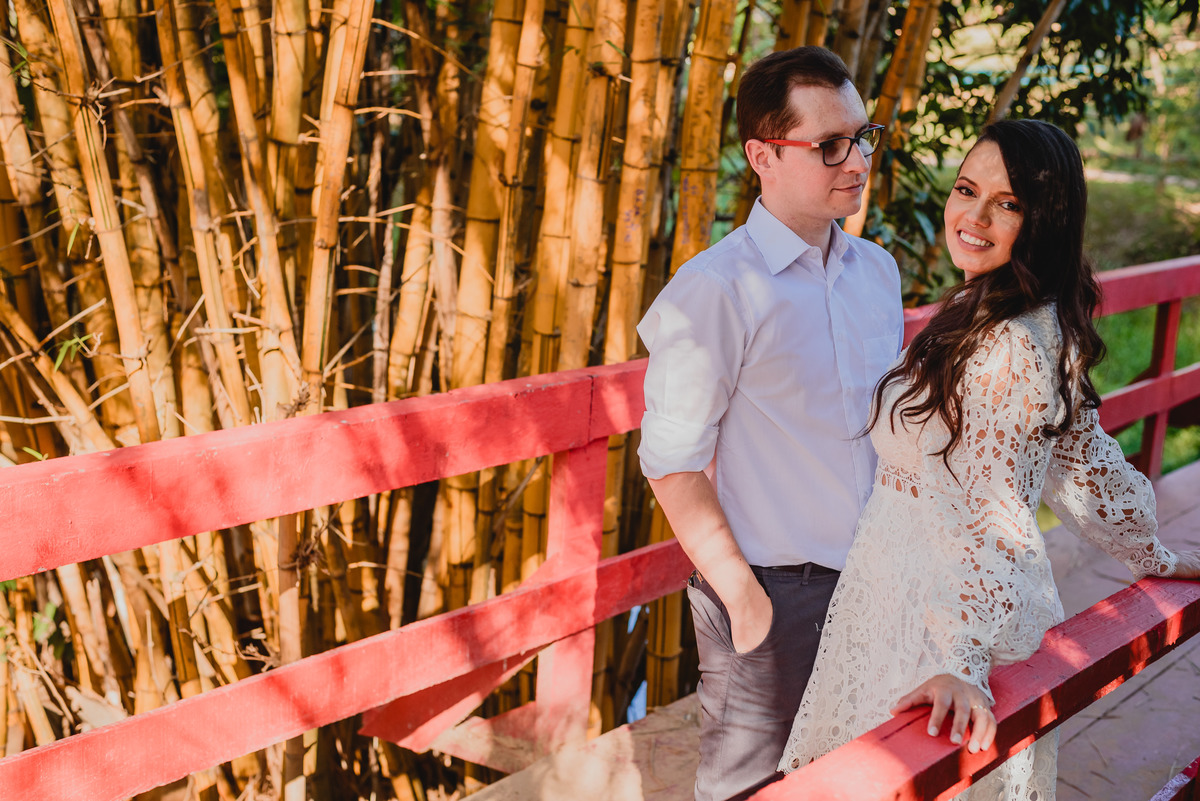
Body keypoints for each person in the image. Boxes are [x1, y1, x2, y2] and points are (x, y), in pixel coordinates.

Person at [777, 119, 1200, 798]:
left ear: (1044, 222)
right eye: (966, 189)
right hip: (898, 592)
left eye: (1007, 204)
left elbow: (992, 514)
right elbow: (1086, 465)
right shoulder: (1007, 312)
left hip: (936, 617)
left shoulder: (1010, 345)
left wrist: (960, 660)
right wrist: (1149, 549)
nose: (972, 218)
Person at [637, 46, 903, 801]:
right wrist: (746, 602)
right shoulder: (714, 289)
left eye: (863, 137)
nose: (857, 161)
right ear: (764, 156)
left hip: (877, 580)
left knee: (864, 780)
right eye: (830, 145)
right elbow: (671, 460)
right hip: (773, 595)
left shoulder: (877, 273)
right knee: (751, 791)